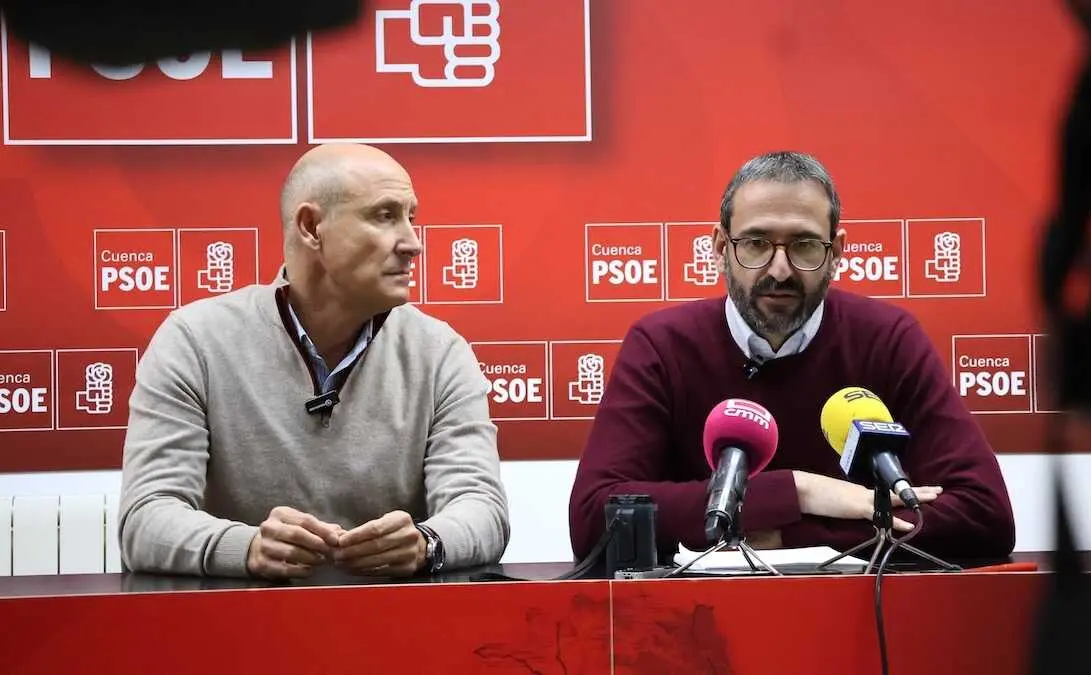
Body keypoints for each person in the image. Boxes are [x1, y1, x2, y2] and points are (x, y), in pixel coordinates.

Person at [568, 151, 1015, 563]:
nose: (779, 270)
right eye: (757, 243)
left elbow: (985, 515)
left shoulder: (887, 339)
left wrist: (792, 532)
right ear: (722, 249)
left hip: (859, 624)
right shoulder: (662, 345)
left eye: (803, 245)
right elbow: (595, 521)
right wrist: (799, 491)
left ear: (836, 253)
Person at [118, 143, 510, 579]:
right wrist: (246, 548)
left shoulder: (440, 352)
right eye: (384, 216)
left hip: (395, 630)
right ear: (311, 227)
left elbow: (483, 510)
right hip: (240, 631)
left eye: (411, 217)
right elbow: (145, 519)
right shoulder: (195, 341)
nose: (413, 243)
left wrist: (427, 543)